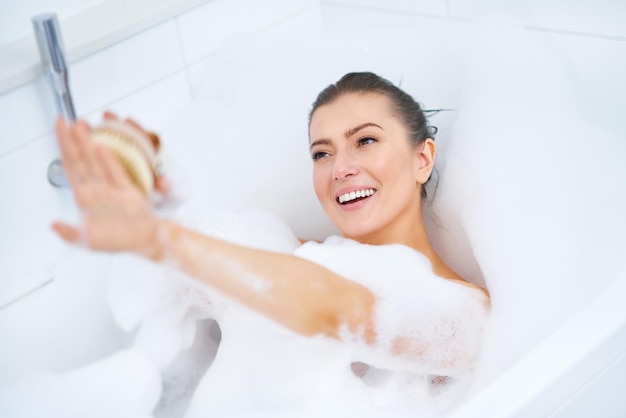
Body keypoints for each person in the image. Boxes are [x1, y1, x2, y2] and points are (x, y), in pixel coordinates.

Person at [52, 72, 489, 396]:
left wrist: (165, 240)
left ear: (422, 159)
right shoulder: (291, 255)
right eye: (322, 152)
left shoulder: (462, 313)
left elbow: (338, 310)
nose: (340, 168)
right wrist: (152, 196)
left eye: (366, 141)